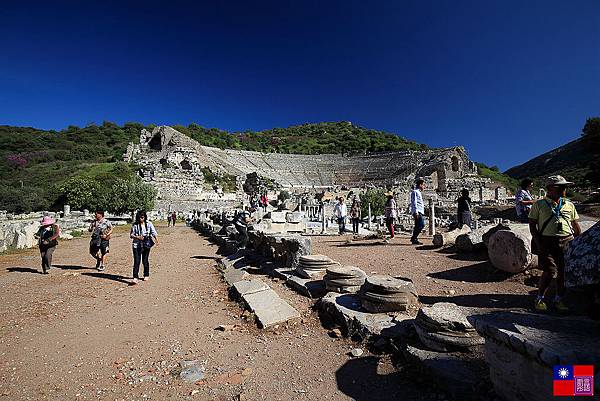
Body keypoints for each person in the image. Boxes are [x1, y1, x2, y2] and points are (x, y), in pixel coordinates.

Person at [529, 175, 581, 313]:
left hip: (567, 240)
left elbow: (575, 224)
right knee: (550, 270)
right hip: (547, 241)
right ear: (551, 188)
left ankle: (559, 299)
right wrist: (538, 242)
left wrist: (578, 240)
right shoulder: (539, 204)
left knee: (563, 272)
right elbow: (532, 225)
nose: (565, 189)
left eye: (565, 186)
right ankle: (540, 298)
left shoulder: (569, 204)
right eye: (561, 187)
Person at [130, 210, 159, 284]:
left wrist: (157, 240)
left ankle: (146, 274)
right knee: (137, 261)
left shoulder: (149, 224)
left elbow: (153, 232)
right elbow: (131, 235)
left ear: (145, 217)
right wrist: (138, 237)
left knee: (145, 260)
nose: (141, 219)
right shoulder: (135, 225)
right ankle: (135, 277)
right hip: (136, 245)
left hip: (146, 245)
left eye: (142, 217)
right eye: (139, 218)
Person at [409, 179, 425, 245]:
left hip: (419, 211)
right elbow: (414, 202)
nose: (424, 187)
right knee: (421, 224)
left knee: (417, 225)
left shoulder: (418, 192)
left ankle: (414, 239)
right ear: (420, 185)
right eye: (423, 185)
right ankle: (414, 237)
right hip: (417, 211)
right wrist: (416, 211)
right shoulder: (415, 192)